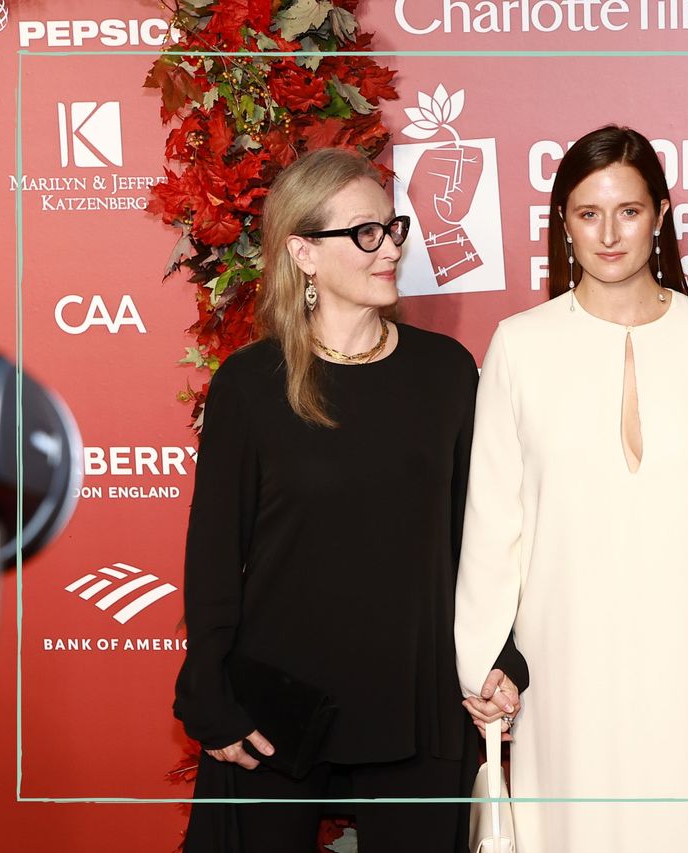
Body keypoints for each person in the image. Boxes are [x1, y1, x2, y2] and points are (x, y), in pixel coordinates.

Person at [173, 147, 525, 852]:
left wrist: (504, 655)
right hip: (274, 701)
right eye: (364, 233)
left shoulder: (447, 373)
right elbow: (215, 556)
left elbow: (484, 536)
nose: (389, 247)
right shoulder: (251, 384)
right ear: (303, 252)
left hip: (419, 699)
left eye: (392, 228)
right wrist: (208, 694)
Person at [454, 125, 688, 852]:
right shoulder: (519, 344)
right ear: (563, 226)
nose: (610, 233)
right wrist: (483, 658)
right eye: (589, 214)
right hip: (561, 665)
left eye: (628, 211)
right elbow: (493, 518)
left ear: (661, 214)